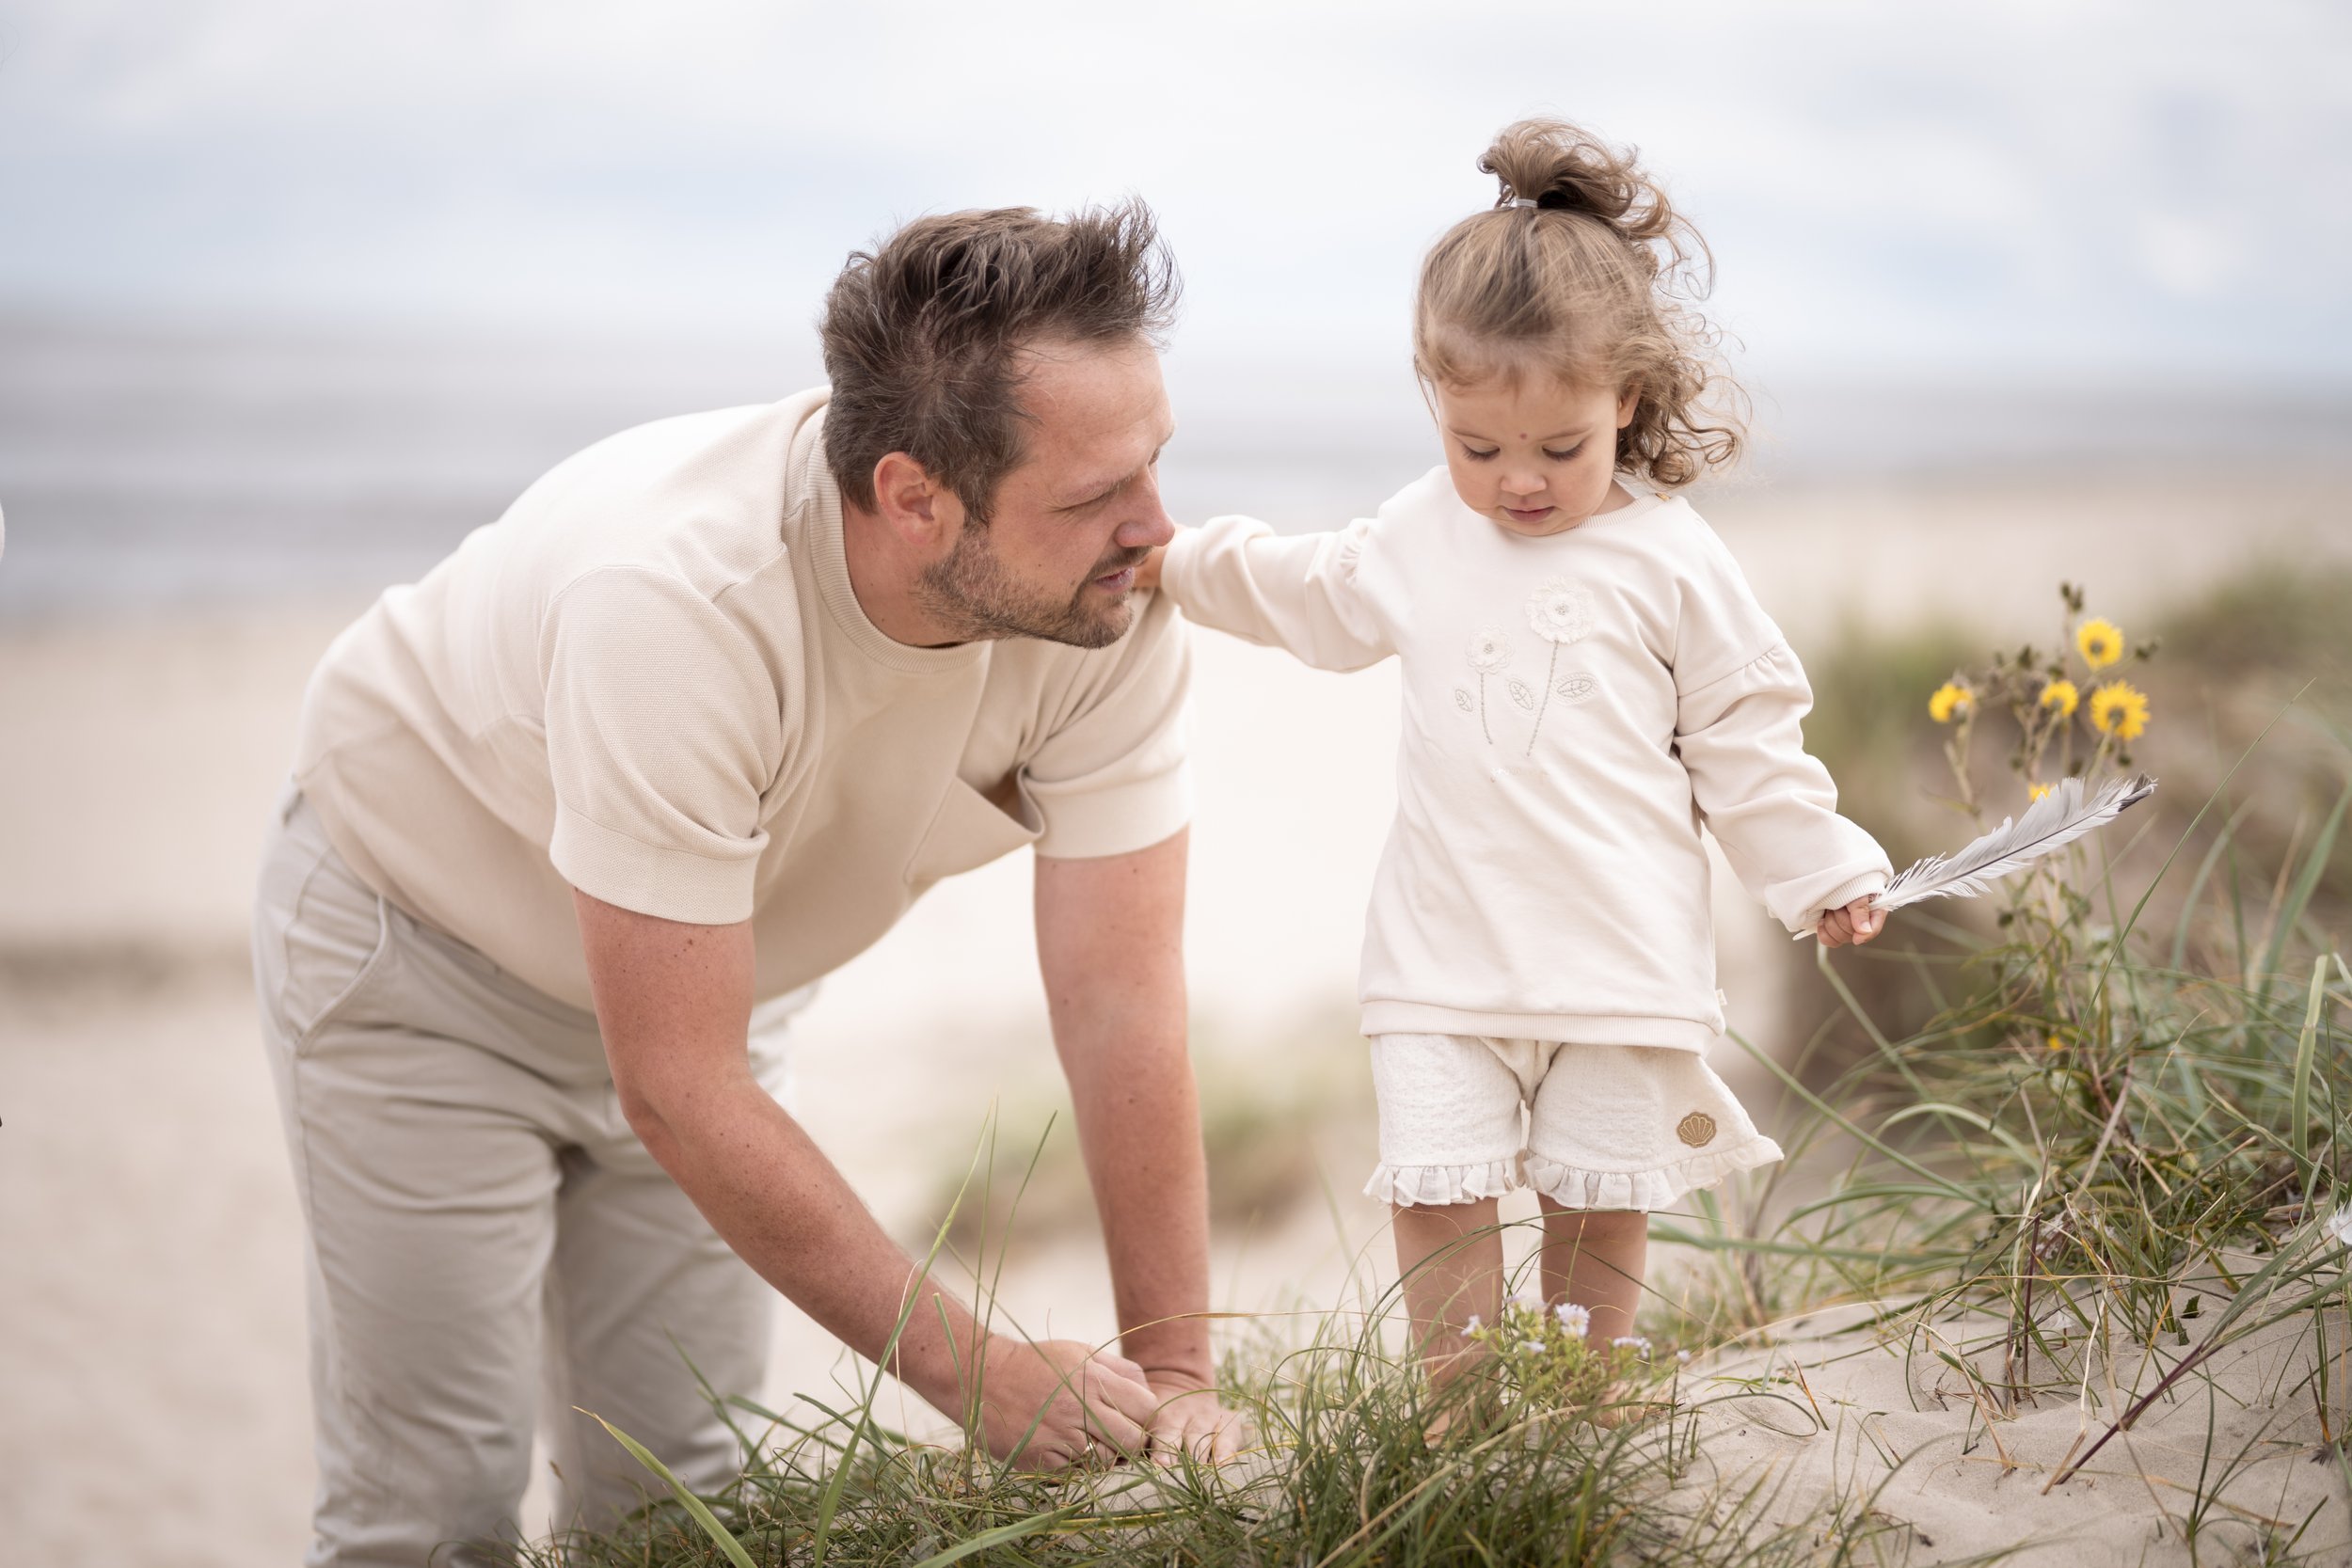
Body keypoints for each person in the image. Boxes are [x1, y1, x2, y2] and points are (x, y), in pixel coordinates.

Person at [251, 199, 1243, 1567]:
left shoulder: (1108, 602)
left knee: (674, 1500)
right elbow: (679, 1086)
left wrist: (1178, 1373)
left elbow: (1122, 1000)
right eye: (1092, 497)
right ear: (913, 498)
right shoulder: (677, 607)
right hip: (422, 962)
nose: (1155, 527)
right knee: (433, 1511)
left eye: (1154, 466)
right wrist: (972, 1371)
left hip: (705, 1001)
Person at [1134, 120, 1890, 1407]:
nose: (1517, 483)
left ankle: (1581, 1417)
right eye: (1477, 449)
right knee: (1440, 1193)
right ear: (1439, 405)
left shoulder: (1673, 559)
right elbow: (1309, 591)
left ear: (1628, 402)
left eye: (1558, 449)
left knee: (1598, 1205)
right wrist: (1177, 560)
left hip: (1619, 965)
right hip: (1443, 963)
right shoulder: (1423, 536)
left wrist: (1815, 865)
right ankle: (1469, 1420)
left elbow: (1746, 734)